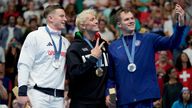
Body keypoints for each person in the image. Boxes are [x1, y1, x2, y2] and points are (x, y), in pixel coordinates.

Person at [105, 4, 189, 107]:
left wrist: (180, 25)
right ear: (119, 24)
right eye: (126, 19)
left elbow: (172, 42)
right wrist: (111, 96)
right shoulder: (113, 47)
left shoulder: (148, 39)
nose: (131, 21)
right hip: (124, 100)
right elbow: (111, 78)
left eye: (132, 18)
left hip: (144, 98)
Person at [17, 5, 70, 108]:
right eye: (62, 16)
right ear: (50, 18)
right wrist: (22, 92)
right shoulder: (35, 36)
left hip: (58, 97)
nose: (65, 19)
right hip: (38, 94)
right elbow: (24, 64)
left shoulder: (65, 42)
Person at [66, 9, 108, 108]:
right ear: (83, 26)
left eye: (96, 19)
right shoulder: (74, 47)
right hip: (82, 102)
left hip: (103, 101)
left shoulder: (103, 44)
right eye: (92, 19)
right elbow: (74, 73)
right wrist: (92, 58)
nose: (96, 21)